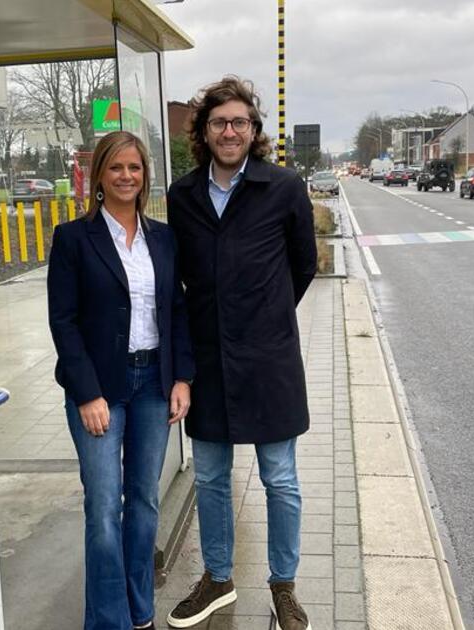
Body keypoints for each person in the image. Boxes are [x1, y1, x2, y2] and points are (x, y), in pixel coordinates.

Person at [164, 77, 318, 630]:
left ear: (254, 131)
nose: (229, 132)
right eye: (218, 123)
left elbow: (304, 266)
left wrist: (266, 318)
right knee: (208, 476)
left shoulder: (283, 187)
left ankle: (284, 587)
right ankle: (218, 578)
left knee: (280, 478)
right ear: (203, 133)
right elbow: (179, 280)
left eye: (239, 123)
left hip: (269, 361)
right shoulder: (183, 196)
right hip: (207, 361)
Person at [47, 131, 195, 630]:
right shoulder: (73, 238)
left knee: (146, 502)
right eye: (116, 168)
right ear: (99, 177)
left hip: (155, 381)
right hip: (101, 389)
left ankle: (140, 613)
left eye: (134, 168)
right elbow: (63, 322)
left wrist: (182, 378)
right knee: (105, 507)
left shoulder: (163, 237)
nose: (126, 176)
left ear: (145, 175)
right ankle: (109, 622)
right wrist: (87, 392)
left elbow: (176, 308)